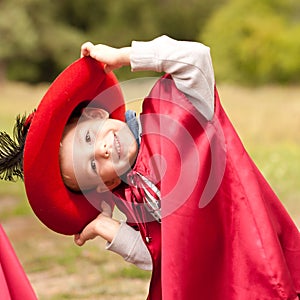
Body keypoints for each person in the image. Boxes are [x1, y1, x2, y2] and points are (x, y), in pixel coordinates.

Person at [0, 35, 299, 299]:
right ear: (103, 185)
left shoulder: (176, 109)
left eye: (89, 137)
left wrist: (125, 56)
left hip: (253, 263)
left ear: (96, 113)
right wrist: (110, 229)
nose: (102, 150)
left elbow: (197, 58)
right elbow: (157, 256)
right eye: (91, 164)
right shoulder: (133, 198)